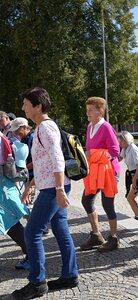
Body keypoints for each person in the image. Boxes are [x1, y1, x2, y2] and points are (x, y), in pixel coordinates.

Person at [11, 87, 78, 299]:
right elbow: (44, 163)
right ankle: (70, 275)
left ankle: (37, 283)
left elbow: (57, 160)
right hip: (52, 186)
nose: (23, 108)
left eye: (26, 104)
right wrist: (32, 184)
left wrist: (59, 190)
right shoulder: (43, 127)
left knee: (32, 232)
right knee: (60, 230)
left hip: (53, 188)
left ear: (38, 106)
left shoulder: (45, 128)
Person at [80, 97, 120, 252]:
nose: (87, 112)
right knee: (86, 200)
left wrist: (93, 155)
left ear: (100, 111)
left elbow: (115, 151)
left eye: (90, 110)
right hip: (94, 172)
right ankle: (96, 235)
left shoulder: (106, 127)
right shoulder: (90, 126)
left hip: (108, 171)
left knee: (107, 204)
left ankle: (114, 238)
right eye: (87, 109)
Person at [0, 131, 30, 270]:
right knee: (11, 222)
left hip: (3, 187)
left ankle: (32, 254)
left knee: (11, 221)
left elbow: (7, 167)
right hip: (4, 186)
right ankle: (31, 253)